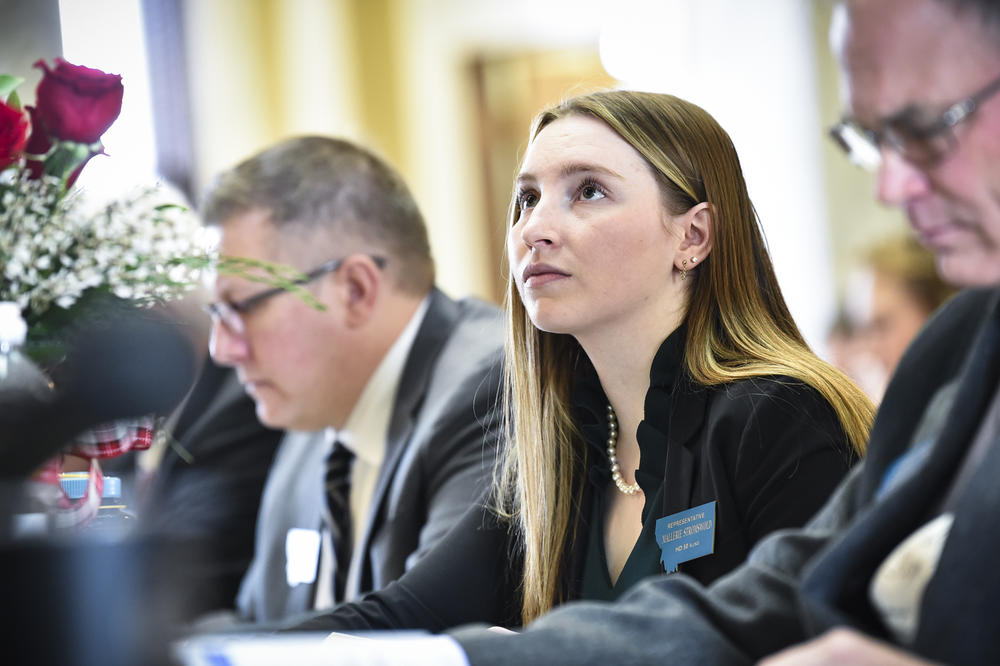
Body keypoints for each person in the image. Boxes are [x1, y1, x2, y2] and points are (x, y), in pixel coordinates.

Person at [428, 0, 1000, 663]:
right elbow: (779, 596)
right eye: (875, 140)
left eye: (925, 128)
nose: (890, 189)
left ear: (694, 236)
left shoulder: (778, 412)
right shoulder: (959, 345)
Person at [282, 89, 874, 634]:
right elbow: (403, 614)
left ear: (693, 237)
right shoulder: (563, 446)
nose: (534, 228)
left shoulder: (782, 415)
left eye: (588, 191)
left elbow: (794, 639)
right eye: (527, 198)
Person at [201, 136, 505, 622]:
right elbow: (257, 622)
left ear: (356, 290)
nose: (222, 348)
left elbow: (422, 631)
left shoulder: (487, 387)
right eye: (216, 314)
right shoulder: (315, 415)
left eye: (240, 308)